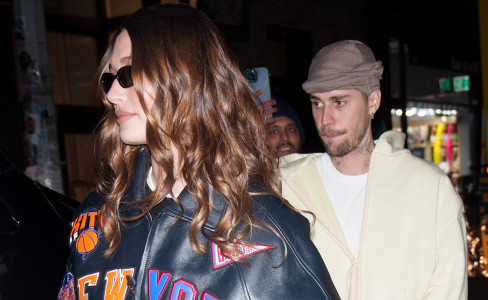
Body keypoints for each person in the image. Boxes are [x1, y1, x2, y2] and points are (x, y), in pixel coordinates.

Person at [57, 4, 340, 300]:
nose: (113, 94)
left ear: (186, 79)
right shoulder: (95, 215)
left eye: (129, 73)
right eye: (109, 78)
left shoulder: (260, 232)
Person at [277, 40, 467, 299]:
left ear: (373, 101)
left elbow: (449, 289)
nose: (325, 119)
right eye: (317, 103)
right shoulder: (285, 183)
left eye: (339, 102)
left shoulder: (429, 187)